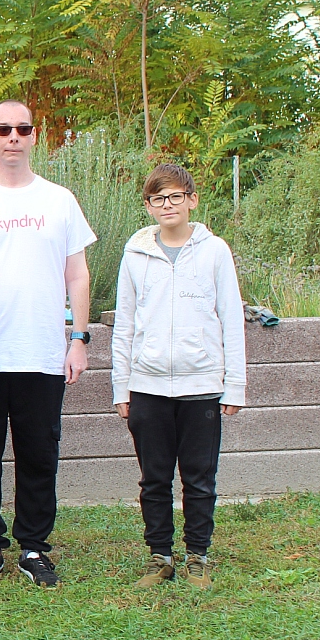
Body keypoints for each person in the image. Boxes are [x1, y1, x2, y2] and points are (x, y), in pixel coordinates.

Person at [0, 101, 95, 588]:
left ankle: (33, 547)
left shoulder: (60, 200)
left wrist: (79, 339)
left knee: (38, 455)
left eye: (22, 129)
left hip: (42, 355)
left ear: (34, 136)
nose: (13, 137)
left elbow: (78, 273)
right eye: (3, 129)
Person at [113, 163, 245, 591]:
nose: (167, 205)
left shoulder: (214, 251)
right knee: (154, 477)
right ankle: (160, 557)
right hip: (148, 385)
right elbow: (126, 324)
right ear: (148, 206)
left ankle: (197, 557)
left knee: (198, 478)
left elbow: (231, 319)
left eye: (175, 197)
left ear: (192, 200)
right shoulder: (135, 254)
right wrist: (123, 385)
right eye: (157, 198)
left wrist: (234, 384)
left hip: (201, 386)